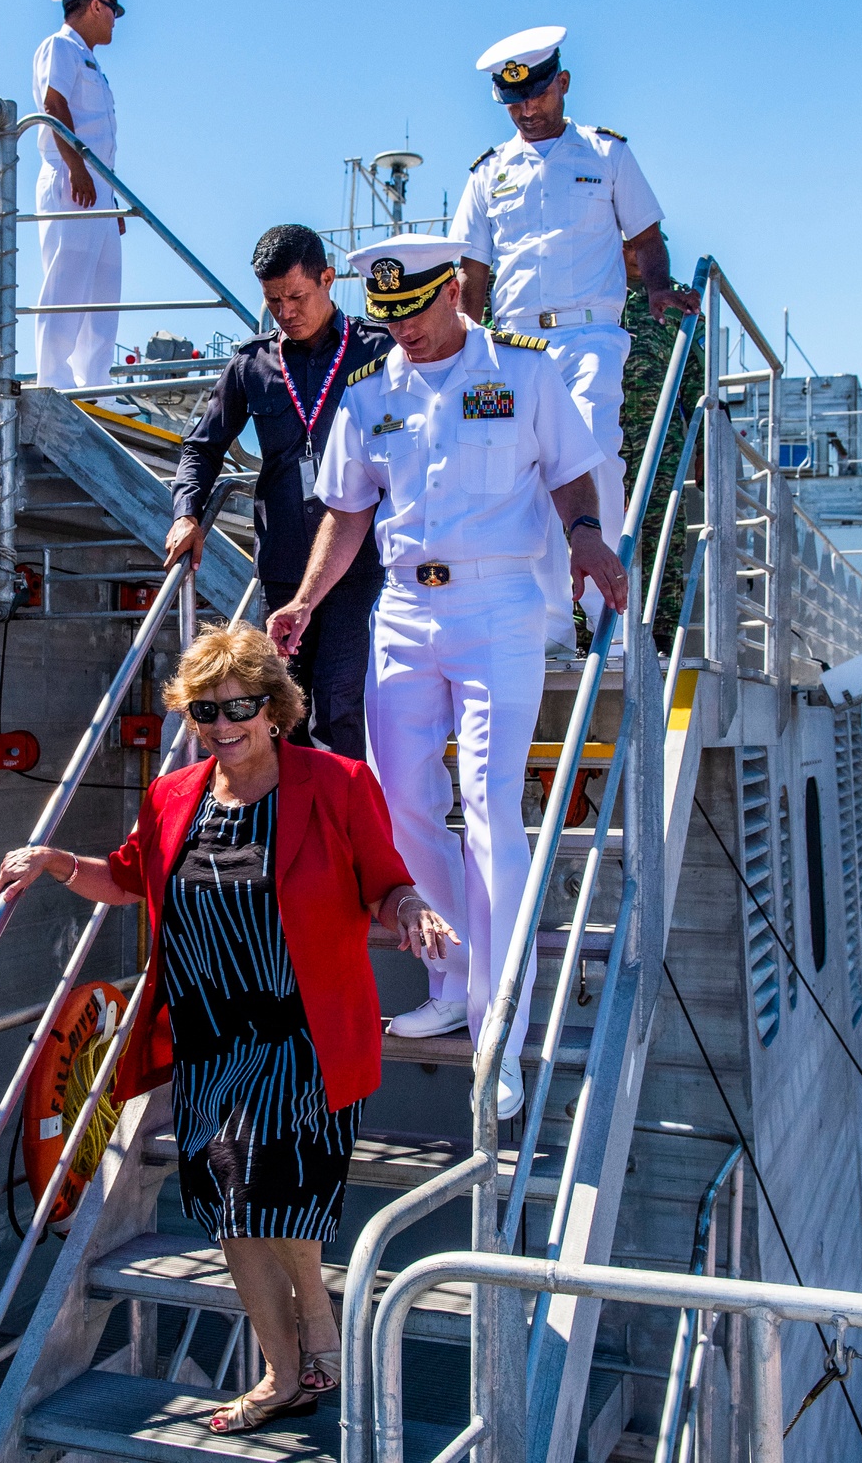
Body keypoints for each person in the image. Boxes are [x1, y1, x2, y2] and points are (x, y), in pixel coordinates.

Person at [0, 623, 457, 1435]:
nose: (224, 723)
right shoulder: (174, 796)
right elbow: (129, 877)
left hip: (302, 1032)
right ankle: (290, 1369)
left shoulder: (338, 782)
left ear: (273, 708)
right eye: (207, 711)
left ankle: (317, 1326)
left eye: (240, 705)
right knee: (226, 1200)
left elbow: (385, 883)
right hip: (210, 1032)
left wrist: (412, 909)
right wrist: (58, 864)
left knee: (273, 1188)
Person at [267, 234, 626, 1119]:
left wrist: (585, 537)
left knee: (493, 813)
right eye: (387, 318)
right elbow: (348, 511)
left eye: (417, 314)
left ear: (456, 291)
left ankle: (498, 1016)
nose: (404, 334)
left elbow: (572, 478)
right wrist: (308, 601)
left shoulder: (529, 374)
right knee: (401, 807)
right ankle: (453, 971)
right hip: (403, 609)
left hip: (498, 607)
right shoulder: (370, 393)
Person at [450, 25, 700, 655]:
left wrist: (659, 288)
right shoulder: (488, 173)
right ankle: (555, 625)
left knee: (595, 458)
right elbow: (471, 272)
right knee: (520, 473)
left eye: (536, 95)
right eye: (513, 103)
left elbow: (646, 239)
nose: (526, 110)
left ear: (561, 83)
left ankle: (608, 620)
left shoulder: (606, 154)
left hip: (589, 334)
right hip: (511, 345)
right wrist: (466, 346)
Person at [166, 225, 390, 758]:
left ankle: (344, 831)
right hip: (284, 566)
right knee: (283, 709)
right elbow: (201, 446)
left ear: (328, 280)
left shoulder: (379, 350)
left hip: (360, 565)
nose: (285, 312)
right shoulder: (252, 364)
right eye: (273, 302)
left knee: (340, 704)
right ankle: (291, 829)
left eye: (297, 297)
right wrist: (188, 514)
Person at [32, 0, 128, 395]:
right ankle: (54, 378)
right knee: (68, 280)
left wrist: (112, 195)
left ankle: (95, 384)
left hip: (97, 188)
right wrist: (77, 169)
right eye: (112, 12)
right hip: (72, 180)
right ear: (94, 6)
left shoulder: (92, 63)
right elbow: (54, 104)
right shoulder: (61, 47)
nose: (114, 21)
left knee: (104, 289)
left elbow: (101, 137)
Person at [621, 238, 705, 652]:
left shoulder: (672, 301)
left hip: (661, 445)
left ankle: (661, 637)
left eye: (643, 248)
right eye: (627, 247)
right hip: (607, 441)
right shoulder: (590, 290)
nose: (635, 256)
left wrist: (703, 446)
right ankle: (584, 637)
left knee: (664, 539)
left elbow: (695, 379)